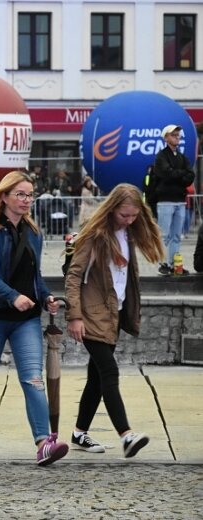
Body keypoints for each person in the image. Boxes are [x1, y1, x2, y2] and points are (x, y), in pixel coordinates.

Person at [0, 171, 67, 466]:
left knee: (33, 380)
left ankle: (43, 443)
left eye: (30, 195)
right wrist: (12, 296)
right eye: (20, 194)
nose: (26, 200)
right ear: (5, 196)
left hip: (26, 320)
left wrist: (46, 296)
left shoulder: (34, 232)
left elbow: (34, 276)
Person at [65, 183, 165, 458]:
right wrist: (74, 316)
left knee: (96, 378)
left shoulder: (129, 234)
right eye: (124, 215)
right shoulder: (94, 234)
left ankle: (79, 433)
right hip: (91, 315)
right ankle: (126, 435)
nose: (129, 220)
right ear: (112, 209)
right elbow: (73, 276)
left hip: (113, 314)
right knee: (109, 372)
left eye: (134, 216)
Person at [153, 124, 195, 276]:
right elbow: (166, 173)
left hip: (179, 200)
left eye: (178, 134)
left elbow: (191, 176)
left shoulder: (182, 157)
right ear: (165, 138)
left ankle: (174, 264)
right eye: (173, 134)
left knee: (176, 235)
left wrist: (178, 175)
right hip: (165, 201)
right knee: (165, 235)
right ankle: (163, 264)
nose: (177, 137)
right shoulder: (161, 156)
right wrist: (181, 175)